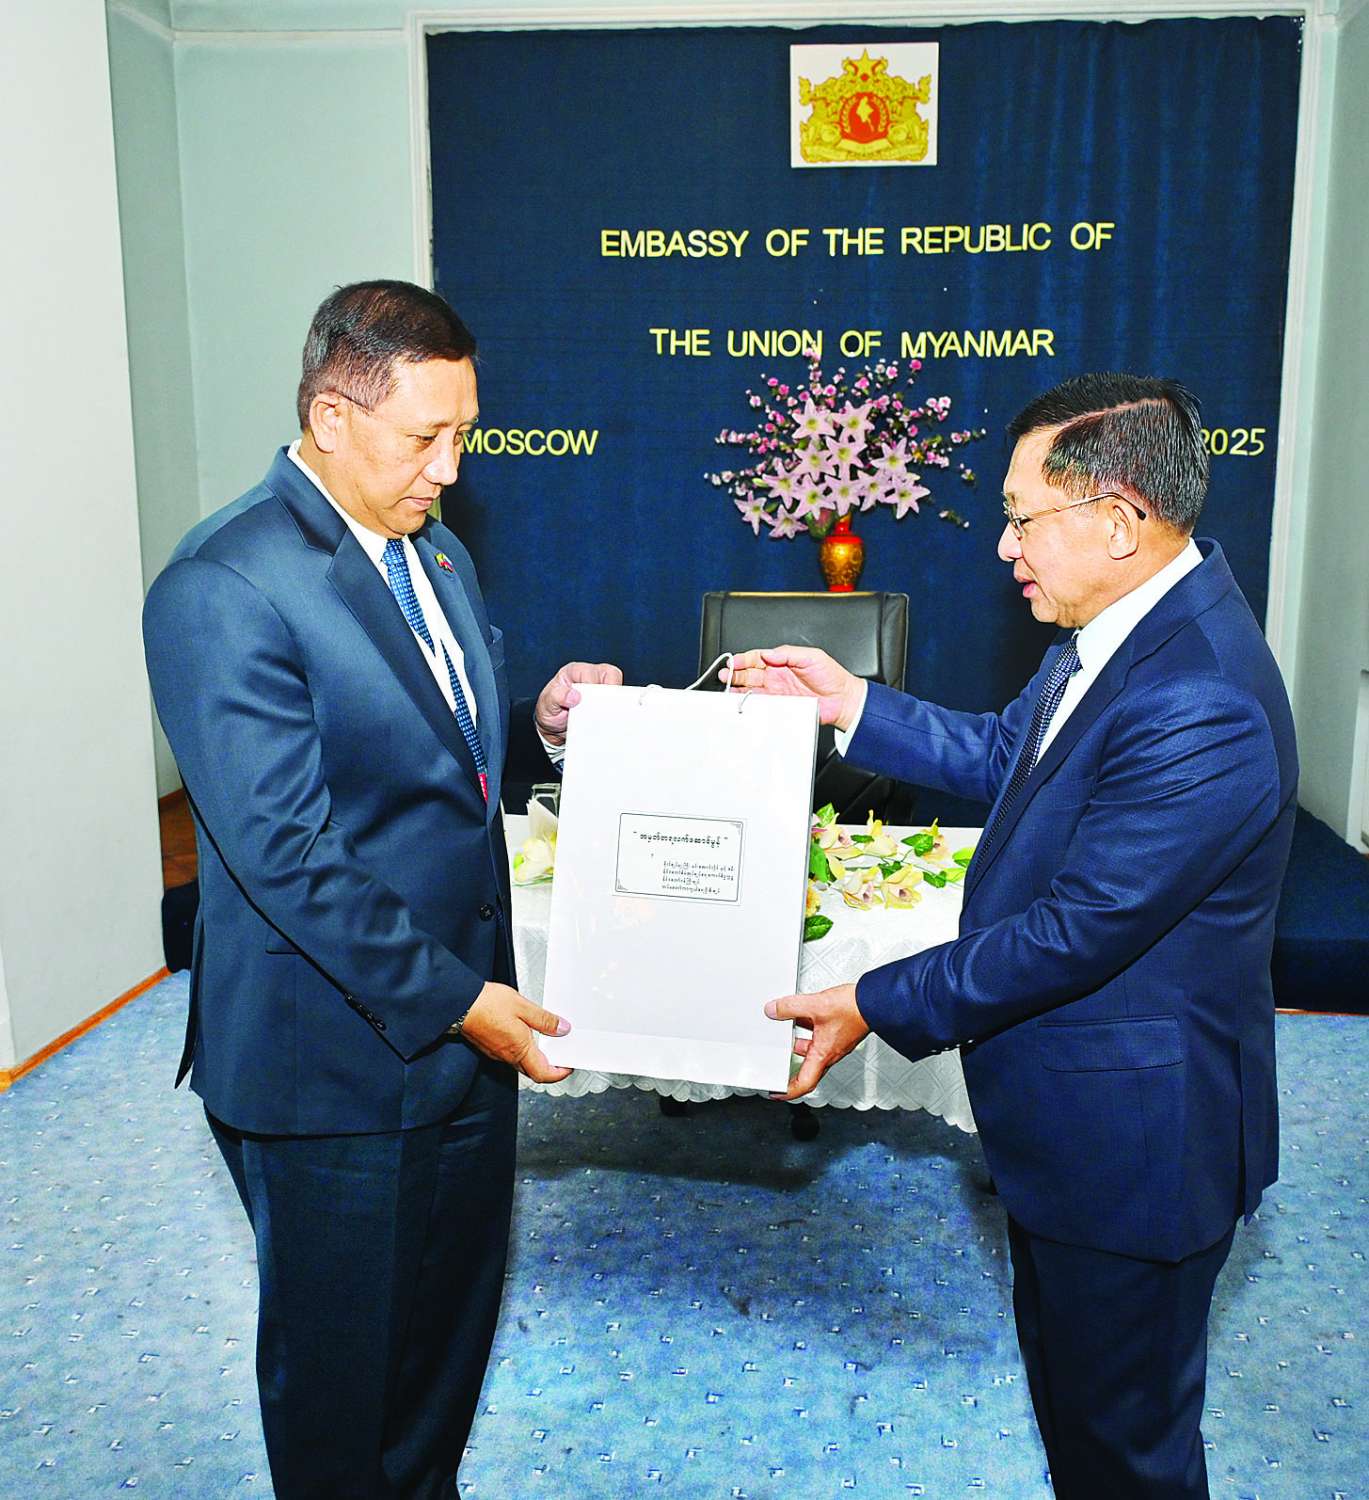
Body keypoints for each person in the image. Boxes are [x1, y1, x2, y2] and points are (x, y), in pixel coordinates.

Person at [729, 373, 1297, 1499]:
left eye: (1021, 519)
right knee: (1083, 1421)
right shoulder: (1123, 627)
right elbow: (1010, 757)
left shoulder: (1200, 698)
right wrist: (849, 703)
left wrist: (870, 1000)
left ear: (1119, 522)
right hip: (1081, 1129)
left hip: (1139, 1147)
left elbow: (1073, 932)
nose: (1003, 549)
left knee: (1124, 1453)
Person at [143, 280, 620, 1500]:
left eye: (464, 433)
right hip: (333, 1061)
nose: (449, 468)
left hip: (460, 1030)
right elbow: (286, 853)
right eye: (426, 437)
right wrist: (461, 1001)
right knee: (344, 1388)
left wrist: (540, 723)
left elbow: (430, 756)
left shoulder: (433, 550)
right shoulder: (225, 584)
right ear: (331, 417)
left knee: (440, 1351)